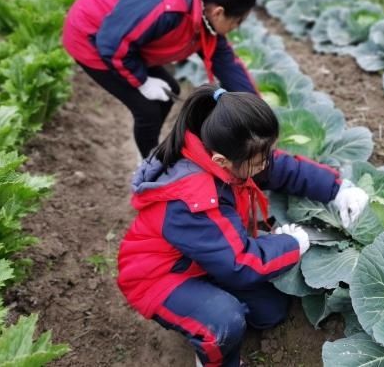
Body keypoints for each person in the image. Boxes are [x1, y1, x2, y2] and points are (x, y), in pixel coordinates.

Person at [117, 87, 369, 367]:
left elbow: (282, 168)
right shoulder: (191, 201)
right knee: (225, 322)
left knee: (269, 312)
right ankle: (214, 358)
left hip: (206, 259)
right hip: (160, 277)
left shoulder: (230, 151)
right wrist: (292, 245)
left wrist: (337, 189)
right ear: (221, 162)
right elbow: (239, 264)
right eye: (258, 162)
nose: (265, 165)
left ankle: (207, 304)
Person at [62, 0, 258, 159]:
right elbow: (112, 46)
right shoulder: (167, 10)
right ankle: (148, 165)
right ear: (219, 12)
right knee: (147, 111)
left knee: (169, 91)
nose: (236, 27)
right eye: (237, 21)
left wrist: (257, 111)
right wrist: (143, 82)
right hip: (91, 37)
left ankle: (150, 151)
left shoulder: (204, 18)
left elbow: (229, 67)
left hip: (126, 43)